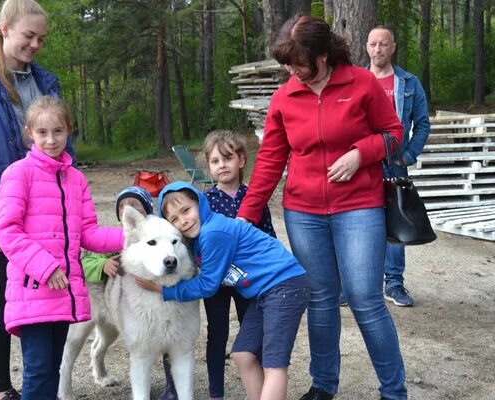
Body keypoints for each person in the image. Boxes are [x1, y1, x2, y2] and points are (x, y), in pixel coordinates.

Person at [236, 15, 407, 400]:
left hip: (359, 206)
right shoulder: (284, 96)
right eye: (287, 64)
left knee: (365, 298)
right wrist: (245, 216)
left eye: (298, 62)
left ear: (322, 56)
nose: (291, 70)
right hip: (304, 211)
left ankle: (394, 391)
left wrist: (361, 154)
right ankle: (324, 386)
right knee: (320, 298)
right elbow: (269, 160)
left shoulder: (361, 83)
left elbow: (394, 134)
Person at [0, 1, 71, 399]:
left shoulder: (46, 82)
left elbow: (59, 138)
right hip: (8, 215)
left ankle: (42, 381)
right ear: (5, 29)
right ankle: (3, 390)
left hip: (47, 212)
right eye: (28, 36)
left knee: (45, 301)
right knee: (4, 298)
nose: (36, 44)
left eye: (41, 38)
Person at [0, 96, 124, 400]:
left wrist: (134, 238)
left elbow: (88, 233)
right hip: (33, 291)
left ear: (69, 131)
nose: (51, 140)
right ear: (29, 133)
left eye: (58, 131)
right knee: (38, 370)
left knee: (53, 370)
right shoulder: (18, 174)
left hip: (63, 293)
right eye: (42, 133)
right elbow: (6, 230)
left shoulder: (76, 179)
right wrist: (45, 267)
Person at [137, 181, 311, 400]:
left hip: (285, 284)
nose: (183, 220)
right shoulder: (198, 239)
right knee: (242, 355)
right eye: (174, 219)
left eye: (186, 210)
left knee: (273, 364)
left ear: (200, 203)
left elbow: (208, 285)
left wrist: (165, 291)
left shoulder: (213, 232)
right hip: (264, 293)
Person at [80, 185, 178, 400]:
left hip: (153, 301)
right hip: (104, 296)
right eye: (122, 206)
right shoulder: (111, 239)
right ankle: (95, 369)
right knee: (82, 336)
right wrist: (103, 264)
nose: (127, 209)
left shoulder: (162, 237)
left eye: (133, 205)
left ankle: (172, 386)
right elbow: (85, 262)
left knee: (168, 342)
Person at [200, 130, 276, 400]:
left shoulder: (254, 198)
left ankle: (257, 389)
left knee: (253, 334)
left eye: (228, 158)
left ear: (241, 160)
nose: (222, 165)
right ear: (208, 166)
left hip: (249, 281)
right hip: (217, 281)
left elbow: (267, 236)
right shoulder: (205, 202)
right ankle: (216, 393)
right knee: (217, 334)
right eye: (215, 161)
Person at [367, 25, 431, 307]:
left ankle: (393, 284)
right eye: (373, 44)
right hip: (363, 163)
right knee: (360, 223)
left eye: (383, 44)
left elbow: (423, 124)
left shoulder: (408, 82)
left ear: (393, 47)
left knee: (396, 223)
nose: (378, 49)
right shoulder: (356, 81)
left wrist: (408, 155)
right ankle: (359, 285)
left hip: (394, 164)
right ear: (366, 47)